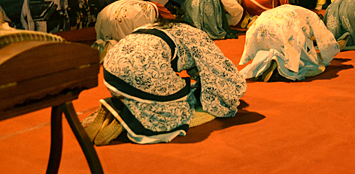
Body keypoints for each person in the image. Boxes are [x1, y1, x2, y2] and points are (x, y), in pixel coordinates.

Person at [100, 18, 246, 144]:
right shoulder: (196, 35)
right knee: (183, 103)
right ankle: (125, 116)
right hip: (141, 70)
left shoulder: (150, 26)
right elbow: (219, 68)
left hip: (110, 70)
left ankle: (125, 101)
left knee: (175, 83)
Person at [239, 5, 340, 81]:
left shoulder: (296, 9)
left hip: (261, 24)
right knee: (306, 60)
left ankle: (269, 61)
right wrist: (330, 53)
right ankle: (280, 64)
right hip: (285, 25)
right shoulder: (313, 17)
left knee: (270, 46)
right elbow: (327, 41)